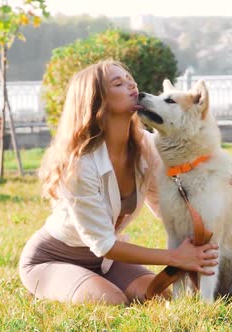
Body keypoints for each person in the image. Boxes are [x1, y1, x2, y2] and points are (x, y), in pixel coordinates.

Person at [18, 60, 219, 306]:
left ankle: (86, 283)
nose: (132, 84)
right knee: (113, 300)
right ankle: (52, 287)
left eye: (129, 78)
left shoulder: (145, 146)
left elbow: (166, 208)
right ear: (97, 100)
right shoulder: (80, 164)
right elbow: (103, 244)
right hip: (54, 258)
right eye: (118, 83)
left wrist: (214, 192)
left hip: (106, 262)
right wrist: (177, 257)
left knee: (157, 297)